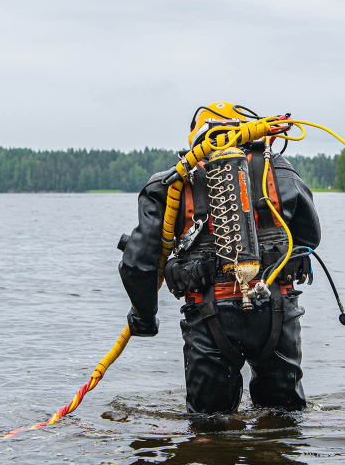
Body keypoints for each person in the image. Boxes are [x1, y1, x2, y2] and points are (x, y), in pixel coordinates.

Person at [119, 102, 321, 415]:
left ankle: (214, 459)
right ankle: (277, 457)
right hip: (277, 311)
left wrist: (144, 317)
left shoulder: (169, 184)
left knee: (209, 426)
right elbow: (309, 239)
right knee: (284, 419)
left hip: (209, 315)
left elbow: (139, 264)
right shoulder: (278, 169)